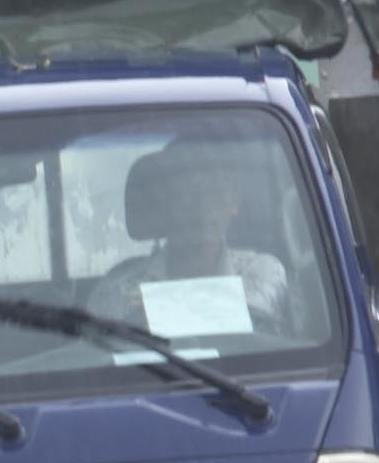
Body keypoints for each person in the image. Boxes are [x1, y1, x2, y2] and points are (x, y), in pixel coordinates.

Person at [85, 143, 294, 334]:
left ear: (235, 203)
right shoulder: (117, 290)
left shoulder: (261, 272)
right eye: (186, 193)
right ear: (165, 204)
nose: (202, 208)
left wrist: (156, 310)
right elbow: (94, 358)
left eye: (215, 192)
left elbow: (254, 313)